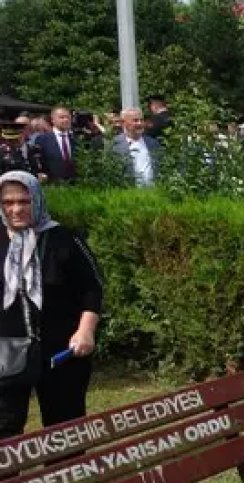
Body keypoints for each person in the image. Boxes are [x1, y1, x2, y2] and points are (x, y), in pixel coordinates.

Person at [0, 171, 103, 439]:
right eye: (8, 202)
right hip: (6, 351)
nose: (16, 209)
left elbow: (92, 288)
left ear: (37, 198)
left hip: (61, 350)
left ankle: (66, 479)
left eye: (24, 201)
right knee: (4, 428)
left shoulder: (63, 238)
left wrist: (85, 331)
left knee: (64, 429)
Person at [111, 108, 160, 187]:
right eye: (135, 120)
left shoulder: (153, 143)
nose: (140, 123)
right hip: (128, 193)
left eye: (141, 120)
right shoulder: (114, 144)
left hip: (153, 192)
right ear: (124, 123)